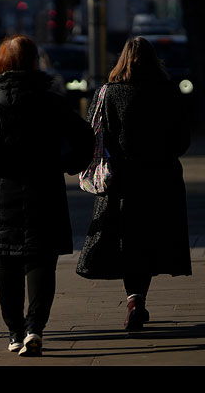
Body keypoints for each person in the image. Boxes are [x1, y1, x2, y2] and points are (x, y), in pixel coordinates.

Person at [0, 34, 94, 356]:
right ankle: (35, 328)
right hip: (45, 192)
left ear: (2, 64)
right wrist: (68, 164)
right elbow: (84, 138)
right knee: (41, 262)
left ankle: (14, 331)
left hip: (2, 197)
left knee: (6, 263)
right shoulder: (52, 102)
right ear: (35, 62)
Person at [76, 36, 192, 331]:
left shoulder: (109, 93)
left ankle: (134, 301)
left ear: (122, 60)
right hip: (161, 180)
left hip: (122, 180)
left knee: (129, 241)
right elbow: (182, 141)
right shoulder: (168, 92)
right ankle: (138, 299)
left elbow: (92, 135)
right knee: (151, 239)